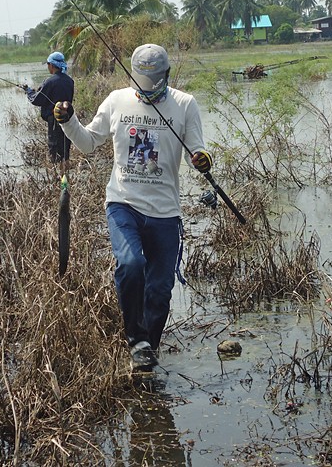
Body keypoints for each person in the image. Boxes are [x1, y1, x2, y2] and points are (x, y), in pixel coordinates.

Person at [53, 43, 213, 371]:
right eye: (143, 82)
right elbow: (86, 142)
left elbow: (197, 149)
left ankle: (146, 353)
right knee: (130, 264)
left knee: (160, 290)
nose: (148, 89)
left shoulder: (184, 104)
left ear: (166, 75)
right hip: (123, 203)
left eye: (154, 82)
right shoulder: (116, 101)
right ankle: (135, 338)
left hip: (166, 212)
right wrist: (68, 121)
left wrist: (203, 160)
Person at [25, 51, 75, 169]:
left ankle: (57, 178)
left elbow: (36, 100)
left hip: (55, 122)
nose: (48, 67)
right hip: (67, 120)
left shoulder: (50, 82)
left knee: (55, 151)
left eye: (48, 64)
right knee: (65, 150)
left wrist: (29, 91)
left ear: (52, 65)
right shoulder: (69, 81)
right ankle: (65, 177)